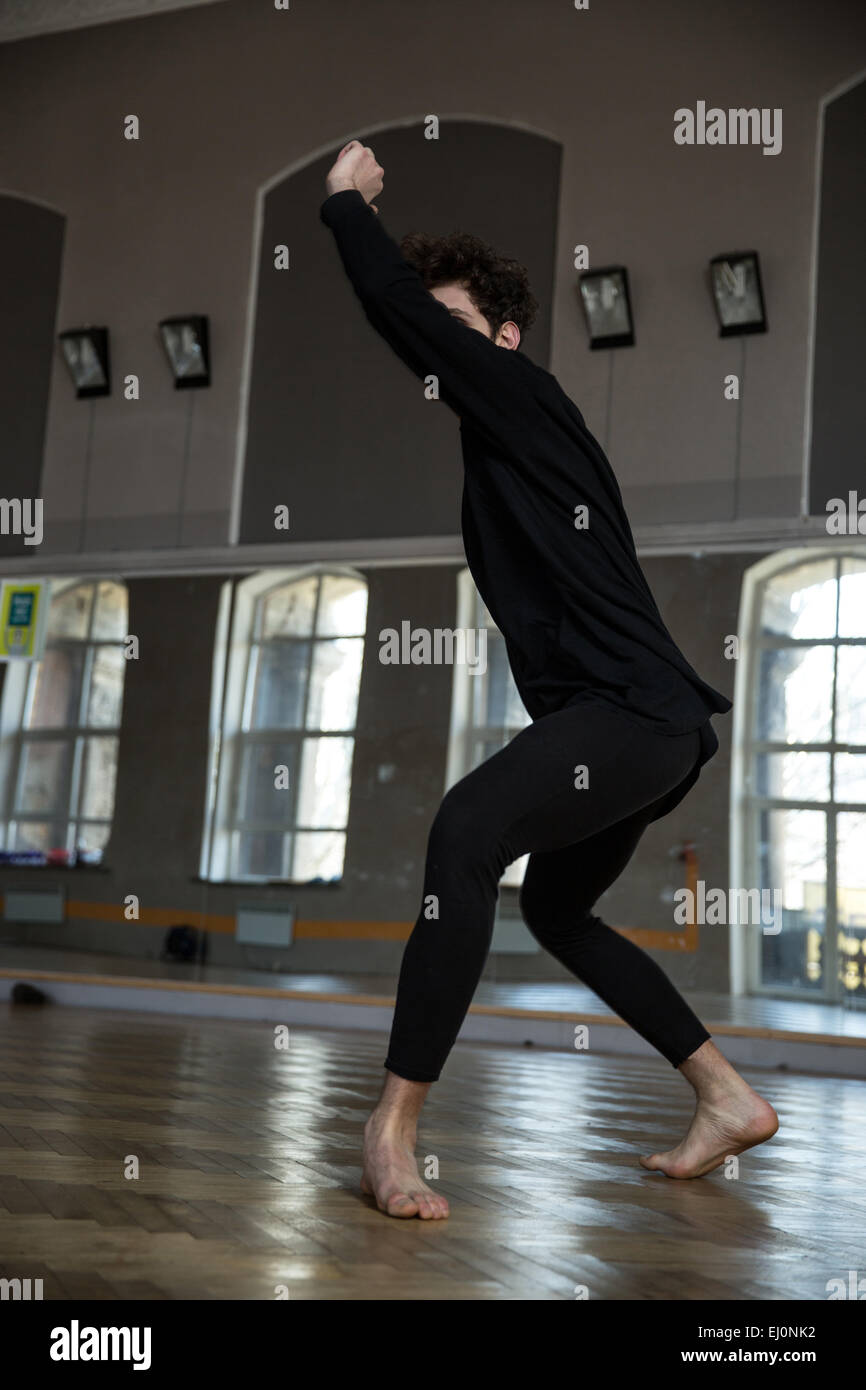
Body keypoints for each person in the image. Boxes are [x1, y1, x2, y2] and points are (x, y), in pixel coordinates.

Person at [320, 141, 779, 1220]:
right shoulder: (499, 445)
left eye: (456, 330)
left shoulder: (524, 398)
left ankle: (388, 1128)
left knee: (464, 836)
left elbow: (394, 308)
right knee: (560, 910)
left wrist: (345, 203)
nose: (440, 351)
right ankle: (724, 1096)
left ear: (504, 337)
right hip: (644, 727)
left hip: (630, 713)